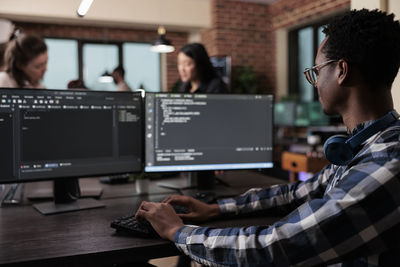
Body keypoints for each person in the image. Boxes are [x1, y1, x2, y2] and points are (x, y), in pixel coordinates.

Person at [136, 9, 400, 266]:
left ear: (341, 71)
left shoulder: (387, 163)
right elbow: (299, 191)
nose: (316, 82)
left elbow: (276, 246)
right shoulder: (365, 147)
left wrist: (177, 231)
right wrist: (216, 209)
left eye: (317, 71)